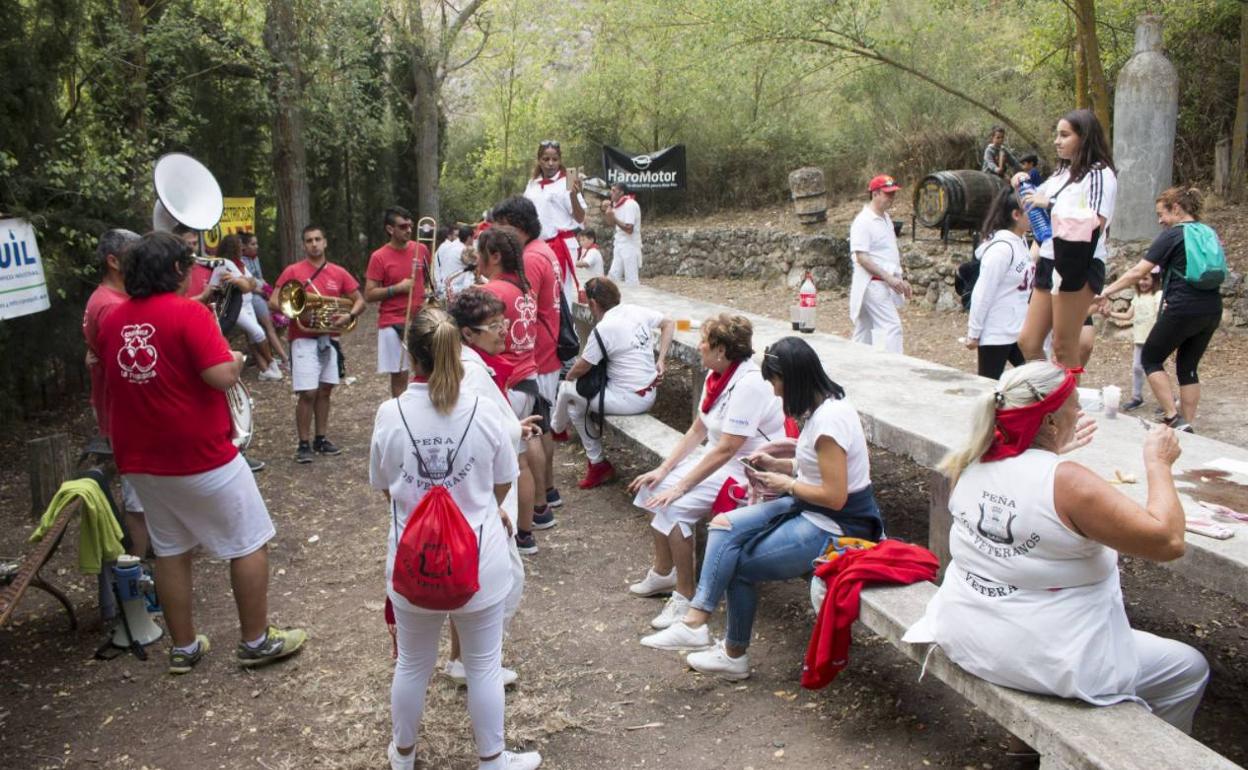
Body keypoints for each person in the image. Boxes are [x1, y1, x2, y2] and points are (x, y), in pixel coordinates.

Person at [903, 362, 1208, 733]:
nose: (1080, 413)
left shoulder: (969, 460)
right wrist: (1158, 464)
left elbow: (1023, 499)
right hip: (1045, 656)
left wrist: (1050, 453)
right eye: (1075, 406)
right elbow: (1169, 541)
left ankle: (1025, 745)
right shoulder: (1068, 483)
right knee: (1189, 668)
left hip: (965, 631)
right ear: (1049, 422)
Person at [99, 232, 307, 675]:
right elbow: (219, 376)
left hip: (141, 460)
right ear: (176, 270)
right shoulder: (188, 313)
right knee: (250, 541)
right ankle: (255, 640)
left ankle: (185, 648)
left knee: (172, 549)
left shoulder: (113, 319)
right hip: (199, 453)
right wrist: (236, 358)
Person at [640, 337, 883, 681]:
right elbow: (818, 468)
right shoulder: (823, 409)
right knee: (723, 524)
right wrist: (779, 465)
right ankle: (695, 621)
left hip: (837, 524)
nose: (774, 391)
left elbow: (835, 496)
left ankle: (732, 654)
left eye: (775, 382)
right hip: (809, 507)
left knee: (738, 565)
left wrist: (787, 484)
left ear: (793, 377)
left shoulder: (829, 422)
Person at [369, 308, 540, 770]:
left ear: (411, 354)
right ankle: (492, 759)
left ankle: (403, 755)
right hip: (479, 556)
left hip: (411, 559)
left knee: (412, 664)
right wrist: (481, 505)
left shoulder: (390, 413)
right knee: (484, 665)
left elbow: (385, 484)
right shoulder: (485, 412)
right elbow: (505, 479)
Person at [627, 314, 785, 630]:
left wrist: (681, 486)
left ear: (722, 351)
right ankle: (664, 573)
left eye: (705, 341)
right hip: (720, 459)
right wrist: (664, 469)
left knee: (674, 506)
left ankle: (685, 595)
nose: (699, 346)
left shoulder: (749, 384)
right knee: (651, 489)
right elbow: (698, 429)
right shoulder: (717, 377)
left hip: (748, 470)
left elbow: (728, 448)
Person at [446, 288, 542, 686]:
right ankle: (475, 662)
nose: (504, 331)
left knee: (478, 578)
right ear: (468, 334)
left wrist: (511, 427)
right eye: (494, 326)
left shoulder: (474, 362)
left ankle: (460, 659)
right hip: (481, 488)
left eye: (504, 322)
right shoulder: (468, 371)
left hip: (482, 483)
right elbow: (470, 426)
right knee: (501, 577)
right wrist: (510, 429)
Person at [1097, 187, 1222, 433]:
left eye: (1161, 214)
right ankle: (1186, 426)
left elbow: (1138, 272)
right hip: (1211, 309)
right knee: (1188, 366)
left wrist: (1107, 291)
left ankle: (1173, 417)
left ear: (1176, 208)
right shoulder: (1208, 232)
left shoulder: (1174, 235)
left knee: (1150, 358)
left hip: (1182, 307)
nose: (1159, 220)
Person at [1013, 108, 1117, 369]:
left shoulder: (1100, 173)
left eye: (1064, 135)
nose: (1057, 141)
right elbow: (1032, 207)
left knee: (1064, 345)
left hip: (1077, 261)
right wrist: (1020, 187)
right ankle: (1053, 394)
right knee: (1028, 341)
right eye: (1056, 135)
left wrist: (1049, 202)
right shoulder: (1061, 173)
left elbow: (1095, 220)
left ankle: (1071, 408)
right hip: (1048, 258)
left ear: (1084, 137)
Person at [551, 276, 674, 489]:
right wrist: (660, 359)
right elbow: (669, 322)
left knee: (566, 389)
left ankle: (556, 429)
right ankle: (597, 464)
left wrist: (569, 375)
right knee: (575, 406)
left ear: (593, 303)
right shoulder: (635, 310)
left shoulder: (605, 327)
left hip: (628, 399)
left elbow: (583, 366)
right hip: (647, 392)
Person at [492, 196, 564, 528]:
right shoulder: (542, 250)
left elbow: (523, 308)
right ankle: (546, 492)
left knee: (531, 431)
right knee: (539, 426)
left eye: (502, 225)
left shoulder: (531, 258)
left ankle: (540, 499)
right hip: (542, 350)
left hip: (535, 353)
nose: (496, 231)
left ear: (518, 226)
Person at [271, 225, 365, 463]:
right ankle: (303, 443)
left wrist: (350, 316)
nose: (314, 244)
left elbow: (359, 301)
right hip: (302, 338)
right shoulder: (293, 270)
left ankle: (320, 438)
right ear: (304, 245)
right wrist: (294, 313)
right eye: (309, 240)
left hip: (329, 338)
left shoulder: (338, 273)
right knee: (308, 392)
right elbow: (274, 300)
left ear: (325, 243)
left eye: (317, 239)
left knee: (325, 390)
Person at [476, 225, 544, 554]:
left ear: (494, 256)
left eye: (480, 255)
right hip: (527, 376)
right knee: (521, 462)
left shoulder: (493, 292)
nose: (476, 261)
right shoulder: (523, 289)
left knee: (502, 462)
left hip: (505, 382)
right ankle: (525, 534)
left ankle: (498, 529)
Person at [83, 228, 149, 559]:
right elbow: (124, 368)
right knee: (137, 497)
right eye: (134, 253)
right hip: (127, 414)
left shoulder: (116, 299)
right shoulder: (109, 306)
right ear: (113, 261)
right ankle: (137, 571)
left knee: (144, 490)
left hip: (127, 413)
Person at [965, 188, 1033, 379]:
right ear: (1016, 215)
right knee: (988, 386)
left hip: (1018, 330)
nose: (1035, 216)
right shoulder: (1001, 249)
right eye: (1030, 211)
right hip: (996, 332)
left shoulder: (1021, 242)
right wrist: (974, 331)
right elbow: (983, 292)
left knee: (1038, 379)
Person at [365, 207, 432, 398]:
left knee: (428, 370)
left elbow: (428, 281)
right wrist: (397, 288)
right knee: (400, 376)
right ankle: (401, 416)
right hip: (392, 321)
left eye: (410, 225)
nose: (409, 230)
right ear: (390, 229)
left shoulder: (422, 249)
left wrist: (429, 297)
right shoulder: (378, 257)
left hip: (421, 318)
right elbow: (369, 294)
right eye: (403, 226)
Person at [849, 174, 912, 353]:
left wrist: (899, 278)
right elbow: (862, 257)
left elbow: (888, 255)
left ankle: (854, 365)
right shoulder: (863, 221)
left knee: (865, 330)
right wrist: (889, 279)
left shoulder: (886, 219)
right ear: (875, 194)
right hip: (872, 282)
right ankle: (893, 369)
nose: (891, 198)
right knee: (892, 327)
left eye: (892, 194)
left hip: (881, 280)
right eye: (887, 194)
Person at [523, 140, 586, 303]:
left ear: (560, 160)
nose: (550, 164)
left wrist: (573, 195)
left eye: (555, 159)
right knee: (539, 290)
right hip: (537, 245)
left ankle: (564, 327)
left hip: (561, 245)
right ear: (539, 160)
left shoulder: (567, 182)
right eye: (546, 159)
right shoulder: (532, 184)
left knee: (561, 293)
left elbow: (580, 217)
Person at [214, 234, 282, 381]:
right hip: (235, 307)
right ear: (234, 247)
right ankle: (272, 364)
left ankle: (264, 370)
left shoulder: (240, 263)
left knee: (252, 337)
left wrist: (246, 282)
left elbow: (252, 282)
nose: (243, 248)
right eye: (240, 245)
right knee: (258, 332)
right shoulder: (225, 263)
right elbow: (247, 286)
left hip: (247, 303)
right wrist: (246, 282)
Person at [1108, 268, 1162, 412]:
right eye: (1140, 279)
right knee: (1137, 368)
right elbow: (1128, 316)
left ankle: (1166, 400)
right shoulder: (1137, 297)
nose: (1142, 282)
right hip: (1139, 339)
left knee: (1155, 370)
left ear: (1154, 280)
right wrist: (1110, 314)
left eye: (1146, 279)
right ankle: (1137, 397)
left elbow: (1160, 315)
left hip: (1153, 340)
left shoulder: (1157, 295)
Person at [238, 231, 288, 367]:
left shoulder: (255, 258)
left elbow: (260, 278)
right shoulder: (241, 262)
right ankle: (284, 359)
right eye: (253, 244)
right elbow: (248, 284)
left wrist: (269, 290)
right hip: (252, 297)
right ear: (244, 247)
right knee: (267, 326)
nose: (256, 246)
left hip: (261, 293)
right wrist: (262, 292)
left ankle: (269, 356)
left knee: (279, 321)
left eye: (256, 243)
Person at [602, 182, 642, 285]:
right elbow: (611, 224)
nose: (611, 193)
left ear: (621, 192)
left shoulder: (630, 204)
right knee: (613, 276)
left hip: (630, 245)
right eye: (611, 190)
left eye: (614, 191)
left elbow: (629, 229)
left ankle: (635, 300)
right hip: (619, 243)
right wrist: (607, 212)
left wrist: (613, 217)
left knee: (631, 279)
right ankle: (613, 299)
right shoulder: (616, 204)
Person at [434, 224, 476, 300]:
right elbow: (476, 270)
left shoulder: (447, 246)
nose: (473, 241)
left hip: (443, 289)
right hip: (456, 292)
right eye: (473, 238)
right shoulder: (464, 250)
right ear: (469, 238)